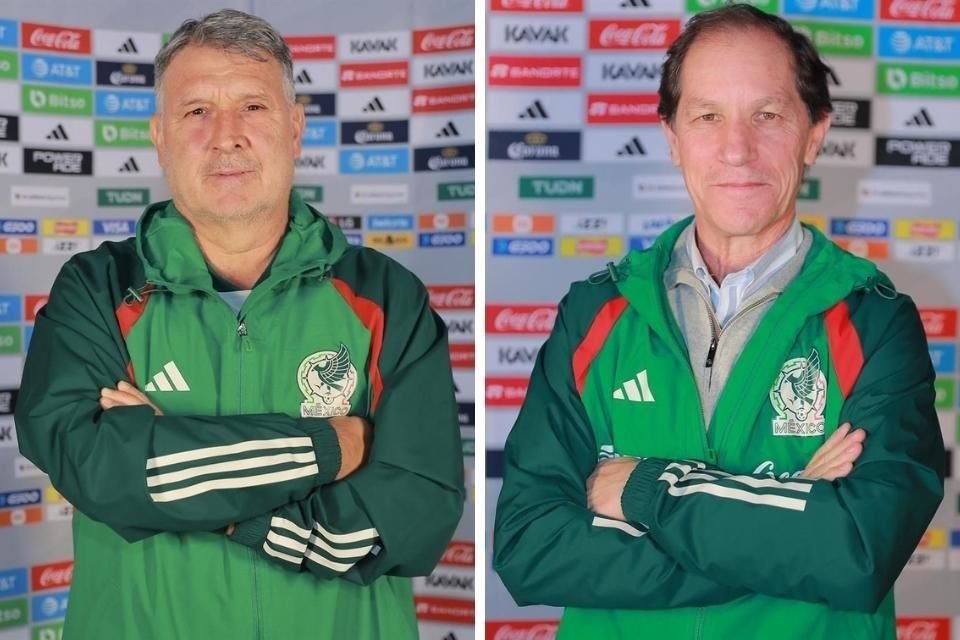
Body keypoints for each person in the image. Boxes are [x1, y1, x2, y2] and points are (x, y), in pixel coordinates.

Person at [493, 5, 944, 639]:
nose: (737, 148)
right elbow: (529, 547)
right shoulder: (595, 313)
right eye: (708, 116)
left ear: (815, 133)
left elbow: (854, 551)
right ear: (673, 136)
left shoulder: (875, 319)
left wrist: (648, 491)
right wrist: (785, 513)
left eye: (768, 115)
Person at [15, 9, 463, 640]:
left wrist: (191, 479)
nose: (226, 135)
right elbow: (100, 469)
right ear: (160, 136)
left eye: (253, 106)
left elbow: (413, 517)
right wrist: (331, 446)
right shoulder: (95, 290)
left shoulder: (386, 295)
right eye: (196, 110)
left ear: (296, 126)